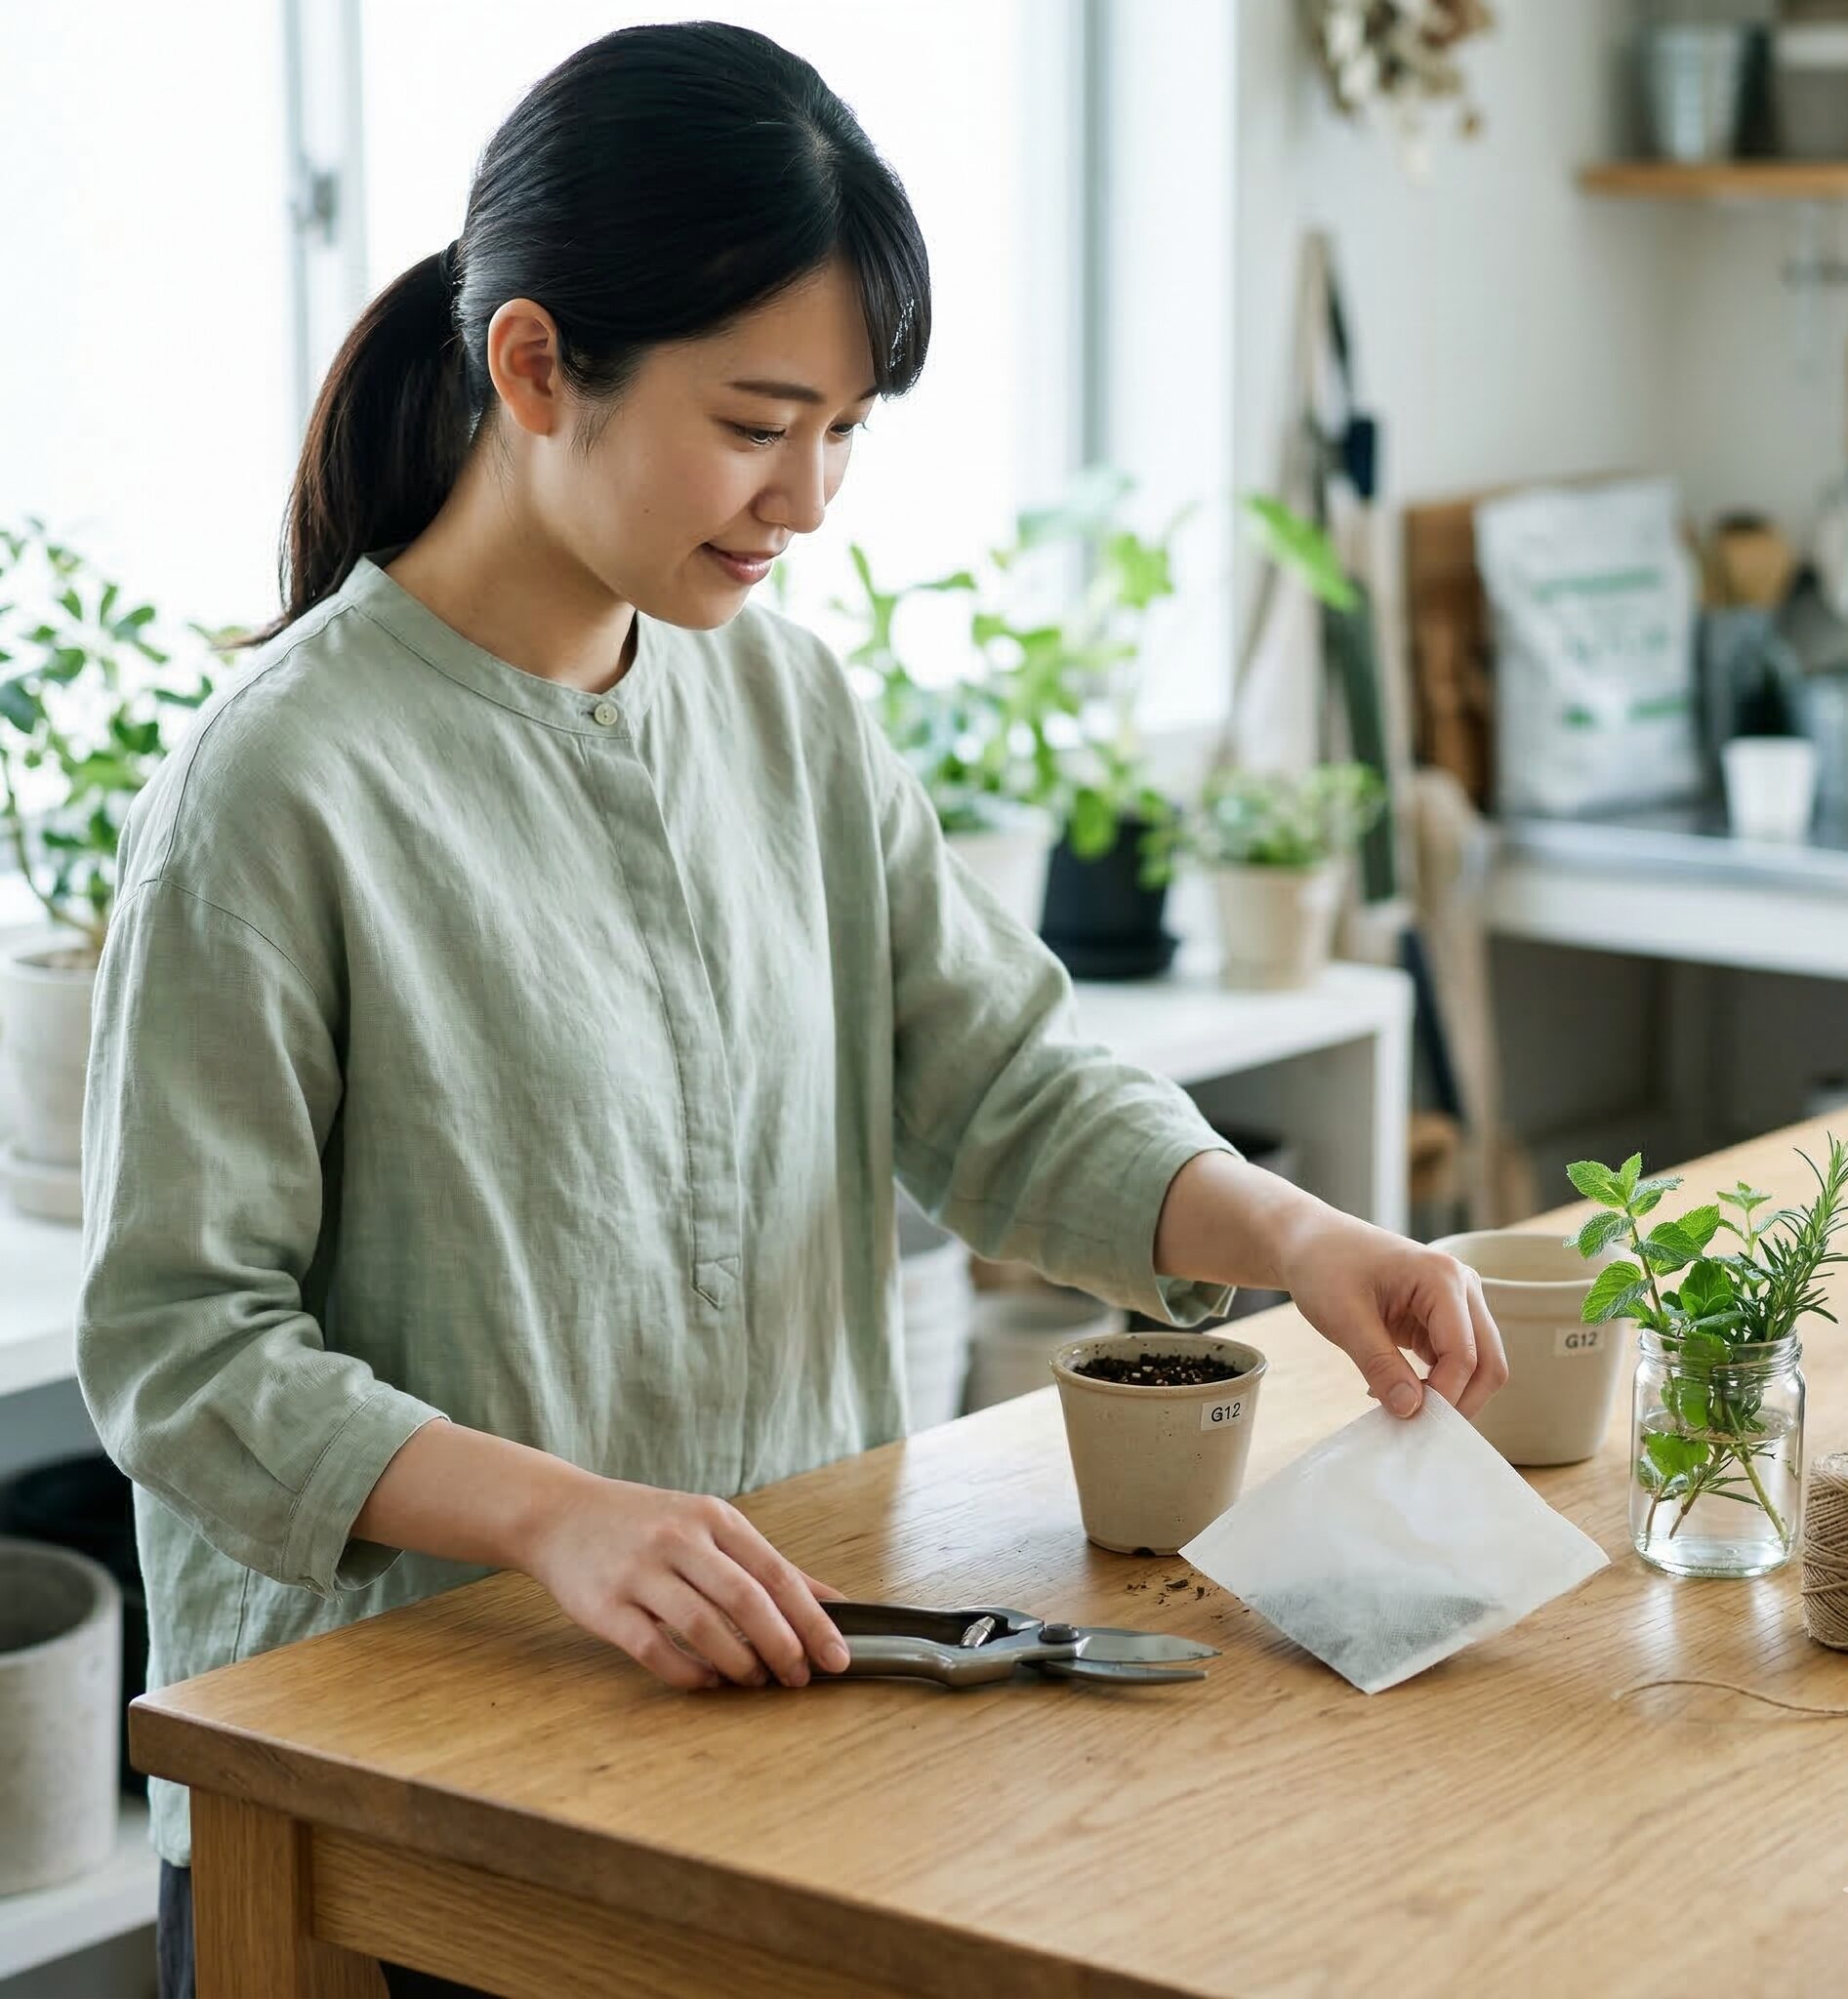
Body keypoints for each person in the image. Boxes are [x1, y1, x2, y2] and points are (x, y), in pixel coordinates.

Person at [75, 24, 1506, 1999]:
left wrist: (1291, 1233)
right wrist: (555, 1519)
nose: (808, 498)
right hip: (386, 1781)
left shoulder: (787, 705)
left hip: (776, 1703)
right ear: (531, 365)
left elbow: (993, 1082)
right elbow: (176, 1344)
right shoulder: (277, 786)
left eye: (843, 427)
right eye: (759, 422)